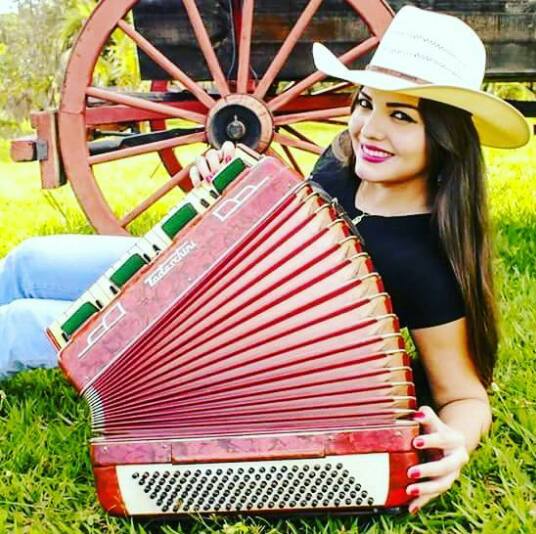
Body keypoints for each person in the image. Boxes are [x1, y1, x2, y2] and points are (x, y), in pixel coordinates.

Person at [0, 5, 529, 515]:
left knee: (21, 327)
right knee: (29, 260)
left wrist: (456, 445)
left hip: (218, 334)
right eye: (366, 103)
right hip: (207, 270)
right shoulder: (343, 162)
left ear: (445, 137)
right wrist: (233, 180)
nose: (370, 129)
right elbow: (277, 227)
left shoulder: (422, 262)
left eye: (402, 116)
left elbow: (465, 396)